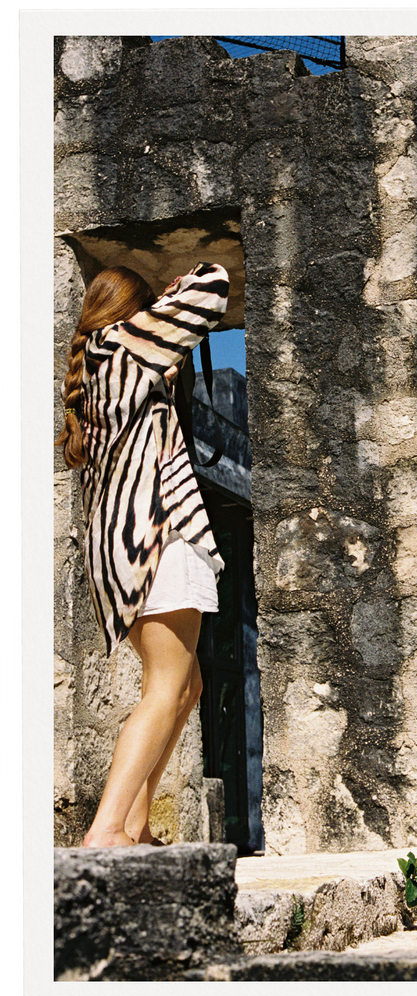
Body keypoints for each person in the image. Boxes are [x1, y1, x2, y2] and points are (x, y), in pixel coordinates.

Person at [56, 261, 230, 847]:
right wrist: (173, 296)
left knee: (187, 685)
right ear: (133, 312)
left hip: (123, 550)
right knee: (164, 686)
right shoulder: (124, 345)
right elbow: (213, 283)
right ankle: (107, 829)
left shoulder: (98, 365)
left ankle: (134, 823)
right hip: (157, 538)